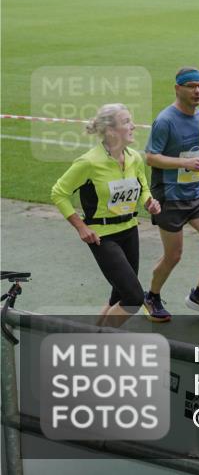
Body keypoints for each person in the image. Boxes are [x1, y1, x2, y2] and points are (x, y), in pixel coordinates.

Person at [51, 104, 161, 327]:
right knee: (133, 298)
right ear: (111, 131)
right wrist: (81, 227)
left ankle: (93, 335)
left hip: (130, 230)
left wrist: (149, 202)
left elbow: (143, 186)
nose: (133, 126)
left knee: (118, 295)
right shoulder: (89, 162)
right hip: (103, 237)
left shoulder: (134, 158)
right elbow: (58, 193)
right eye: (127, 122)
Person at [143, 67, 199, 322]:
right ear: (177, 88)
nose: (197, 91)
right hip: (170, 195)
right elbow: (151, 157)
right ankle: (152, 296)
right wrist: (184, 164)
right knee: (173, 255)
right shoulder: (165, 120)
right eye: (191, 86)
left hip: (197, 192)